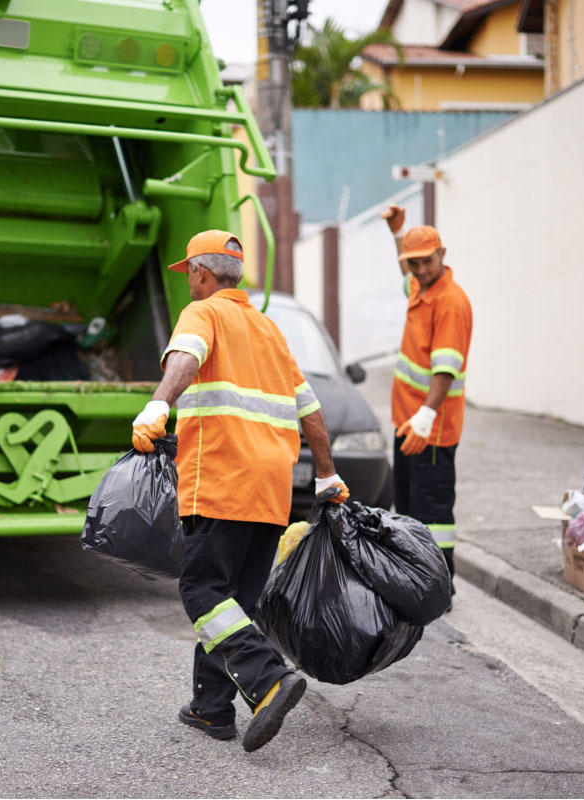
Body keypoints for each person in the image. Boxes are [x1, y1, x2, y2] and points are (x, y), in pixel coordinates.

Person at [131, 229, 349, 752]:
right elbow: (311, 410)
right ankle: (211, 710)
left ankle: (268, 677)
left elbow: (184, 357)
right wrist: (326, 474)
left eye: (189, 276)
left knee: (202, 591)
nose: (189, 284)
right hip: (271, 491)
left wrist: (158, 404)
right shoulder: (270, 331)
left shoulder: (203, 313)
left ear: (203, 275)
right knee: (232, 604)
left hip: (221, 480)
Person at [380, 205, 473, 597]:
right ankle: (416, 579)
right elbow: (407, 275)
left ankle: (439, 588)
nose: (419, 269)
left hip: (430, 430)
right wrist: (397, 233)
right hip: (408, 423)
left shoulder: (450, 302)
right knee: (410, 509)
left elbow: (445, 371)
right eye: (414, 263)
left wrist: (424, 418)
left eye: (426, 261)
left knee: (433, 514)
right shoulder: (422, 287)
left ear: (443, 255)